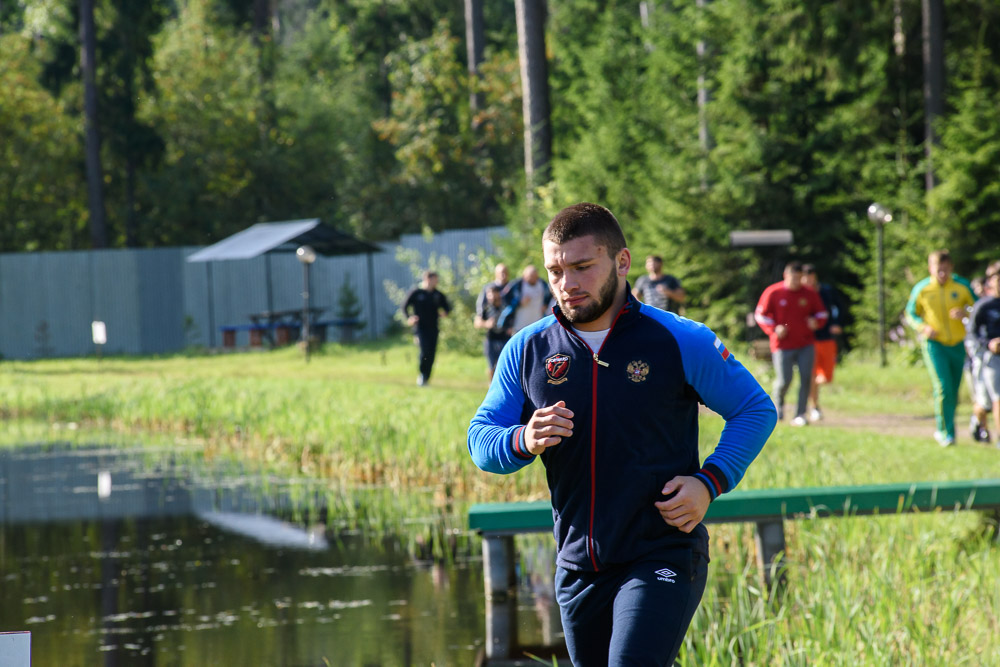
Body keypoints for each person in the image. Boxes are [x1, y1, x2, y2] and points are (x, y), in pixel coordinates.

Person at [467, 202, 776, 667]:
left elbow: (755, 409)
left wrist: (710, 481)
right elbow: (480, 440)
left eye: (582, 267)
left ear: (622, 262)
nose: (567, 284)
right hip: (577, 567)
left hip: (662, 552)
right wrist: (522, 440)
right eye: (555, 271)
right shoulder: (527, 349)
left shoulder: (678, 339)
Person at [905, 250, 976, 446]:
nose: (942, 274)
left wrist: (965, 313)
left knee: (953, 390)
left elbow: (978, 309)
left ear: (951, 268)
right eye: (938, 270)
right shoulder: (922, 289)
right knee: (943, 387)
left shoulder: (962, 286)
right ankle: (945, 433)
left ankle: (949, 428)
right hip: (934, 345)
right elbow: (911, 313)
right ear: (931, 269)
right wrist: (923, 327)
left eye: (945, 270)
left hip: (957, 345)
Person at [754, 261, 828, 426]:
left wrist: (815, 322)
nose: (796, 281)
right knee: (784, 380)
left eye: (799, 278)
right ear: (785, 276)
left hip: (806, 343)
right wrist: (774, 328)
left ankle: (800, 414)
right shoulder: (773, 292)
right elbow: (760, 315)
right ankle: (777, 409)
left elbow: (822, 314)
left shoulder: (809, 293)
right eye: (793, 277)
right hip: (782, 345)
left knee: (806, 378)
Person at [801, 264, 845, 422]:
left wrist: (837, 323)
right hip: (810, 340)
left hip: (827, 337)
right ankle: (814, 406)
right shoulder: (801, 294)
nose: (808, 281)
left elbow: (839, 307)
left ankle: (810, 389)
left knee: (826, 377)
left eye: (810, 277)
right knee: (812, 374)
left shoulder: (826, 291)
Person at [966, 264, 1000, 444]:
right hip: (988, 358)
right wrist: (989, 344)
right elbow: (971, 334)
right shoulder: (984, 306)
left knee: (998, 398)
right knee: (985, 404)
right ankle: (977, 421)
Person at [401, 270, 451, 386]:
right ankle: (422, 374)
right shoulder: (416, 293)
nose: (437, 282)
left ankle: (427, 377)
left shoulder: (437, 294)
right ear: (428, 279)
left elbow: (447, 307)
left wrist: (445, 313)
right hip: (420, 329)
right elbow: (404, 306)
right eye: (435, 280)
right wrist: (409, 318)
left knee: (432, 353)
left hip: (433, 328)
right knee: (425, 351)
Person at [498, 265, 552, 334]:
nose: (532, 278)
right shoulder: (517, 285)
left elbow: (550, 294)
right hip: (520, 325)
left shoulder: (543, 284)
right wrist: (519, 302)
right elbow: (505, 299)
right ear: (524, 276)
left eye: (534, 276)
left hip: (538, 324)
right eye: (530, 276)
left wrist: (545, 304)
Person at [474, 284, 511, 380]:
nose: (491, 297)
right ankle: (491, 386)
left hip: (504, 340)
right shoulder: (486, 308)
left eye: (493, 294)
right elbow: (477, 323)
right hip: (490, 340)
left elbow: (513, 319)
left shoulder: (506, 307)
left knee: (502, 365)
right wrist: (486, 324)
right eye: (489, 294)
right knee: (491, 366)